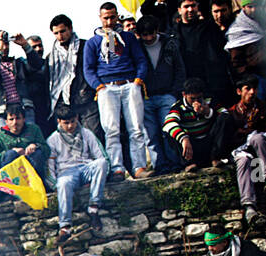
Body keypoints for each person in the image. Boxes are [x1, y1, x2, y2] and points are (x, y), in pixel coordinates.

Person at [83, 2, 152, 179]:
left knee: (136, 128)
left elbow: (141, 60)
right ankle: (117, 168)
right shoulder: (93, 42)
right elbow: (88, 69)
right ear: (100, 17)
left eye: (112, 17)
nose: (109, 21)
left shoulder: (128, 38)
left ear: (117, 16)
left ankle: (139, 167)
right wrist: (98, 86)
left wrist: (138, 80)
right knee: (111, 130)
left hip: (130, 84)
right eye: (105, 17)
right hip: (107, 87)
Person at [48, 106, 111, 239]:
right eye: (66, 123)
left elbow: (101, 156)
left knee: (102, 163)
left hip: (85, 167)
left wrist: (99, 175)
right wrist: (54, 184)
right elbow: (49, 166)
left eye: (72, 121)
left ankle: (93, 208)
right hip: (66, 172)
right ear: (59, 121)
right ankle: (65, 226)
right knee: (63, 184)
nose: (70, 126)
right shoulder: (53, 139)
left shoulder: (86, 133)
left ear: (77, 118)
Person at [137, 15, 187, 173]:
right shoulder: (137, 46)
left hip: (167, 94)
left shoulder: (169, 43)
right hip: (145, 96)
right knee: (150, 135)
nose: (149, 38)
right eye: (144, 35)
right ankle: (160, 166)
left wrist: (175, 91)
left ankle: (175, 163)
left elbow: (180, 68)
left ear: (157, 31)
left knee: (169, 130)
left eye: (151, 33)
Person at [48, 14, 104, 142]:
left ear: (70, 29)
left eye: (63, 31)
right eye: (56, 33)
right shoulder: (52, 56)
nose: (60, 36)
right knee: (70, 141)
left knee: (94, 137)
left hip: (87, 100)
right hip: (64, 103)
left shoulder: (86, 46)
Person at [229, 76, 266, 224]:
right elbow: (230, 138)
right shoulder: (232, 113)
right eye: (247, 89)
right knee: (243, 160)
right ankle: (249, 206)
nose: (251, 92)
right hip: (244, 151)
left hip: (262, 152)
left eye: (254, 89)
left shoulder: (264, 108)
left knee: (257, 138)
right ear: (239, 91)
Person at [163, 78, 236, 171]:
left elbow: (226, 115)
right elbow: (168, 124)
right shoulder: (178, 107)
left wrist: (208, 112)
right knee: (170, 132)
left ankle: (216, 157)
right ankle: (189, 163)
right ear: (184, 95)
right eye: (192, 98)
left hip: (210, 144)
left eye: (199, 98)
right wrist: (184, 138)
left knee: (225, 118)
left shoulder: (209, 101)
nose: (196, 101)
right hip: (191, 147)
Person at [175, 0, 232, 106]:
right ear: (179, 10)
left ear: (198, 7)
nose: (190, 9)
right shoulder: (174, 33)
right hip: (188, 85)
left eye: (193, 6)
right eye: (186, 6)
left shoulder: (210, 27)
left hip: (213, 84)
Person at [0, 29, 43, 130]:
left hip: (24, 109)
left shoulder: (20, 63)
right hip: (3, 112)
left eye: (6, 43)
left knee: (31, 137)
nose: (4, 47)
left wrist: (25, 45)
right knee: (3, 141)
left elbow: (37, 65)